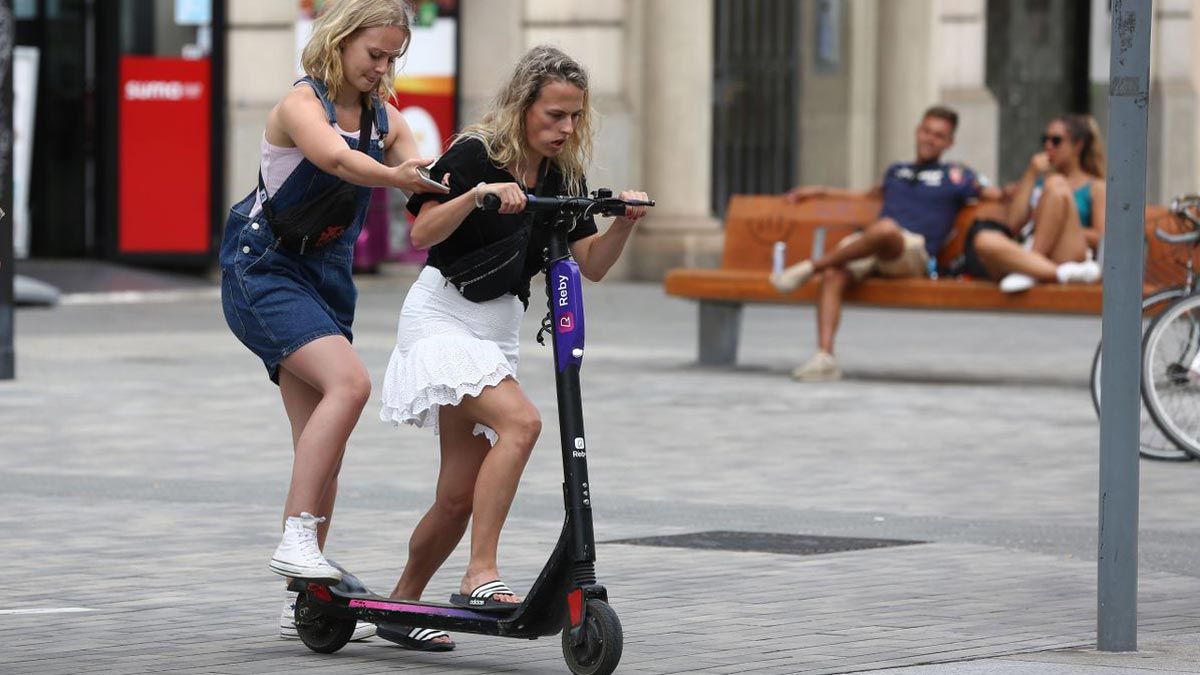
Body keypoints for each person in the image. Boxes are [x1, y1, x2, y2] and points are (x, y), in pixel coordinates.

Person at [376, 45, 648, 651]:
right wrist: (475, 196)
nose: (567, 128)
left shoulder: (563, 174)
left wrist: (624, 221)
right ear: (524, 106)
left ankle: (399, 604)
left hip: (497, 328)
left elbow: (591, 267)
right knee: (521, 424)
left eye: (575, 116)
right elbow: (420, 231)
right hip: (443, 314)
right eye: (555, 115)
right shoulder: (475, 153)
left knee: (454, 498)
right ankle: (481, 573)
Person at [217, 0, 446, 642]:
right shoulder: (300, 106)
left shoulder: (386, 120)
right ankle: (296, 538)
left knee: (323, 449)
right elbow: (339, 161)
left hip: (326, 276)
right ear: (340, 40)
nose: (383, 68)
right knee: (350, 385)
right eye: (374, 54)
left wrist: (477, 188)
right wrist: (398, 174)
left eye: (394, 57)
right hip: (263, 270)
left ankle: (309, 601)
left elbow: (427, 178)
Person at [770, 106, 998, 381]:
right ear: (917, 131)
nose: (930, 139)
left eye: (939, 136)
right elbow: (863, 197)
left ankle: (809, 268)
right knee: (836, 272)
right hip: (875, 244)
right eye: (926, 131)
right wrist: (818, 190)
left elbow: (997, 196)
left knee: (887, 229)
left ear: (949, 143)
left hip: (912, 251)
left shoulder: (958, 176)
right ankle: (824, 357)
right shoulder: (896, 171)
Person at [964, 113, 1105, 293]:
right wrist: (1030, 174)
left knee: (1056, 184)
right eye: (1044, 140)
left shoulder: (1096, 186)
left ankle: (1031, 266)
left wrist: (1055, 221)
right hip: (1040, 251)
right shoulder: (1038, 183)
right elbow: (1014, 224)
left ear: (1077, 146)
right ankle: (1051, 272)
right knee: (983, 240)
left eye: (1056, 141)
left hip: (1068, 250)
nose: (1048, 146)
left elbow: (1101, 238)